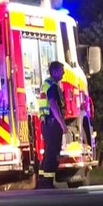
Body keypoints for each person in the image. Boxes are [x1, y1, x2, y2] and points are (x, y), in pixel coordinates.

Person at [37, 61, 67, 189]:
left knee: (49, 151)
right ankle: (47, 182)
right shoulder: (52, 86)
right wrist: (62, 124)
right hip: (52, 123)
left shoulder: (46, 84)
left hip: (46, 122)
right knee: (53, 152)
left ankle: (43, 180)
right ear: (54, 72)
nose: (64, 73)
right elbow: (54, 106)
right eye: (61, 70)